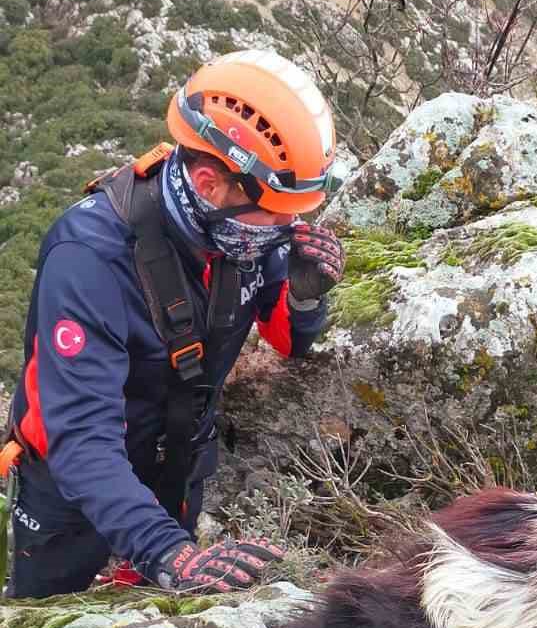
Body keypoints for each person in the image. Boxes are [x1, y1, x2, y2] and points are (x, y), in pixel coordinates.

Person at [2, 48, 345, 598]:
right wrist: (171, 554)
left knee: (158, 611)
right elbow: (81, 441)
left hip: (176, 459)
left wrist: (305, 299)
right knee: (42, 621)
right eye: (279, 208)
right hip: (72, 488)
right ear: (211, 183)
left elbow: (290, 342)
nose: (290, 224)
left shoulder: (243, 232)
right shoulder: (90, 258)